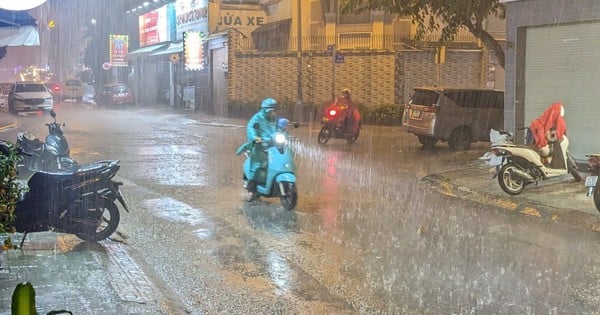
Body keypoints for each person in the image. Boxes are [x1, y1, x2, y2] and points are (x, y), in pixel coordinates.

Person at [245, 97, 279, 201]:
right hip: (259, 145)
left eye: (274, 110)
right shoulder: (257, 118)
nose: (272, 113)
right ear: (265, 110)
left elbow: (281, 130)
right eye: (270, 110)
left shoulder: (274, 120)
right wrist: (254, 138)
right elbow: (250, 128)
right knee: (257, 166)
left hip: (272, 145)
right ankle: (252, 190)